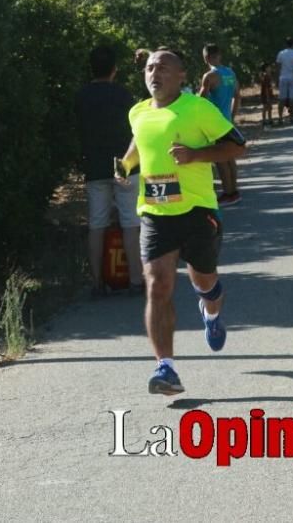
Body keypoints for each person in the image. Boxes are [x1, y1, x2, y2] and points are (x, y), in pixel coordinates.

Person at [116, 48, 247, 395]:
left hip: (197, 211)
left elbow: (237, 146)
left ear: (181, 76)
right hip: (156, 214)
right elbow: (138, 144)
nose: (153, 73)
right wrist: (125, 166)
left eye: (161, 67)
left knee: (205, 283)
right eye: (148, 67)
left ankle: (211, 312)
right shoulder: (138, 112)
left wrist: (196, 156)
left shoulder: (197, 108)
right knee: (157, 286)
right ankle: (165, 368)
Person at [75, 45, 144, 297]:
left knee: (96, 224)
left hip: (95, 163)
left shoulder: (81, 96)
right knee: (130, 222)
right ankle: (135, 280)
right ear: (115, 69)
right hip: (123, 161)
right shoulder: (124, 95)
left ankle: (96, 283)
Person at [199, 43, 241, 206]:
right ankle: (234, 191)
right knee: (230, 156)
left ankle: (228, 193)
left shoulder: (209, 76)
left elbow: (200, 100)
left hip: (215, 122)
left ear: (206, 57)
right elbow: (237, 96)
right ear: (220, 55)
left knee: (220, 158)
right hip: (227, 120)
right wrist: (233, 115)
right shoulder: (230, 73)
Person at [275, 37, 293, 125]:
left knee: (281, 99)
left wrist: (277, 78)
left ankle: (280, 118)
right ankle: (292, 117)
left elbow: (278, 67)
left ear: (286, 44)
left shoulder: (281, 54)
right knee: (292, 99)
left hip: (283, 77)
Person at [258, 61, 276, 126]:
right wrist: (267, 96)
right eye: (269, 67)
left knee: (269, 107)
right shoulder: (266, 76)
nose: (270, 68)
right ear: (265, 68)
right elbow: (266, 87)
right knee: (266, 107)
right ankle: (265, 120)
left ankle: (269, 119)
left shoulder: (268, 75)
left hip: (269, 93)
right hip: (266, 94)